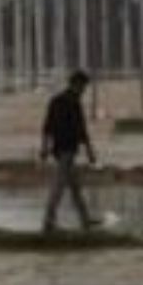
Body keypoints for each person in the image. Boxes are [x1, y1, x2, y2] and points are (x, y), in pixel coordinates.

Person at [40, 70, 99, 231]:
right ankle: (48, 221)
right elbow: (81, 130)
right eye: (83, 87)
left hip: (64, 150)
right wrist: (90, 152)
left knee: (75, 188)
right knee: (58, 187)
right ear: (76, 84)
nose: (84, 90)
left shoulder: (58, 101)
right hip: (65, 150)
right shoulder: (71, 103)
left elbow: (47, 127)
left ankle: (85, 220)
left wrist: (44, 147)